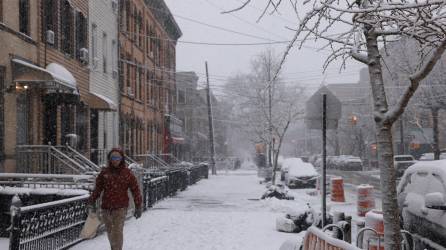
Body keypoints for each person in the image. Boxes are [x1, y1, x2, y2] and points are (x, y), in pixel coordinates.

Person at [88, 148, 143, 250]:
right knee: (110, 232)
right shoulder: (104, 173)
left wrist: (138, 205)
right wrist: (92, 200)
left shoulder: (127, 173)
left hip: (120, 208)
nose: (115, 160)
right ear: (110, 159)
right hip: (106, 208)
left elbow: (135, 190)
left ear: (121, 159)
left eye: (118, 157)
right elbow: (98, 189)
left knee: (117, 232)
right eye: (113, 157)